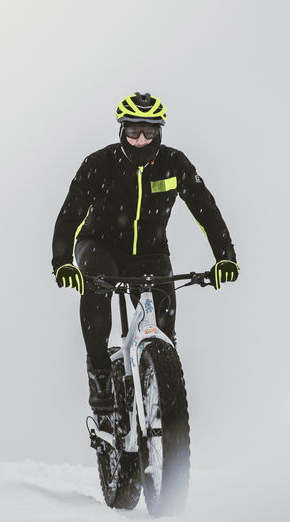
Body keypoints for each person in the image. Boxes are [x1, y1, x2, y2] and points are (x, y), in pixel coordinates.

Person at [51, 92, 239, 413]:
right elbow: (71, 214)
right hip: (100, 245)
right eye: (133, 131)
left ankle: (163, 393)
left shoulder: (174, 163)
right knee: (96, 285)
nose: (140, 140)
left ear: (159, 132)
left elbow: (205, 209)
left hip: (151, 254)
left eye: (149, 132)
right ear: (121, 130)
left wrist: (225, 257)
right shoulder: (99, 164)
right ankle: (99, 373)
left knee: (166, 332)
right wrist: (63, 262)